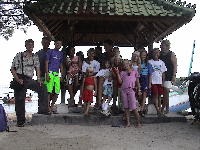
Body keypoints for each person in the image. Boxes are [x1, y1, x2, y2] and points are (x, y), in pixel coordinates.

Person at [10, 39, 49, 127]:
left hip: (29, 79)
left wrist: (38, 78)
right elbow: (13, 69)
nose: (31, 46)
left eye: (32, 45)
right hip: (20, 78)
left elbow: (37, 68)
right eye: (29, 44)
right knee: (20, 99)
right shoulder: (19, 55)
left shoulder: (35, 56)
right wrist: (17, 79)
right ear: (26, 45)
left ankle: (43, 110)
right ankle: (20, 121)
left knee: (42, 87)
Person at [115, 59, 141, 128]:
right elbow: (120, 82)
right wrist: (117, 73)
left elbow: (137, 82)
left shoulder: (135, 72)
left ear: (130, 64)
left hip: (131, 90)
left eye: (126, 64)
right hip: (123, 90)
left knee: (134, 108)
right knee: (126, 108)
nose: (125, 65)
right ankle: (128, 123)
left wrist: (139, 90)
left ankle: (138, 123)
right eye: (124, 64)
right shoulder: (122, 73)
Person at [45, 40, 64, 113]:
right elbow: (46, 62)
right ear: (55, 44)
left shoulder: (61, 53)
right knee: (48, 92)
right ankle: (48, 108)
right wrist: (46, 74)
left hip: (57, 74)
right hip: (50, 73)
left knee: (57, 92)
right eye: (57, 43)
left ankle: (52, 106)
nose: (58, 45)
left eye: (60, 44)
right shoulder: (50, 51)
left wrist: (62, 75)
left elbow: (61, 65)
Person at [160, 39, 177, 114]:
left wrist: (174, 76)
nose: (161, 46)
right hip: (160, 76)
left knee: (166, 91)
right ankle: (166, 108)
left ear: (167, 46)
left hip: (169, 75)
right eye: (161, 45)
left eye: (162, 45)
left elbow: (175, 66)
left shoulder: (171, 54)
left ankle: (163, 108)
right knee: (164, 92)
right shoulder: (159, 54)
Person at [148, 48, 167, 116]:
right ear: (152, 54)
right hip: (153, 82)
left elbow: (163, 73)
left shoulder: (161, 62)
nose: (156, 54)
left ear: (159, 54)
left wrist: (163, 81)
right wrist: (149, 83)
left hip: (160, 82)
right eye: (155, 52)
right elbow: (150, 73)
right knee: (155, 96)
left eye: (157, 52)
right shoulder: (150, 62)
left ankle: (159, 109)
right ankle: (157, 110)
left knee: (159, 96)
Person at [139, 50, 153, 116]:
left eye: (144, 55)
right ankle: (142, 107)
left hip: (145, 79)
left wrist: (149, 84)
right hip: (138, 79)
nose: (143, 56)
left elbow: (150, 74)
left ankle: (141, 110)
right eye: (142, 55)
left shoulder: (148, 64)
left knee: (144, 94)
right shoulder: (138, 64)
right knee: (139, 95)